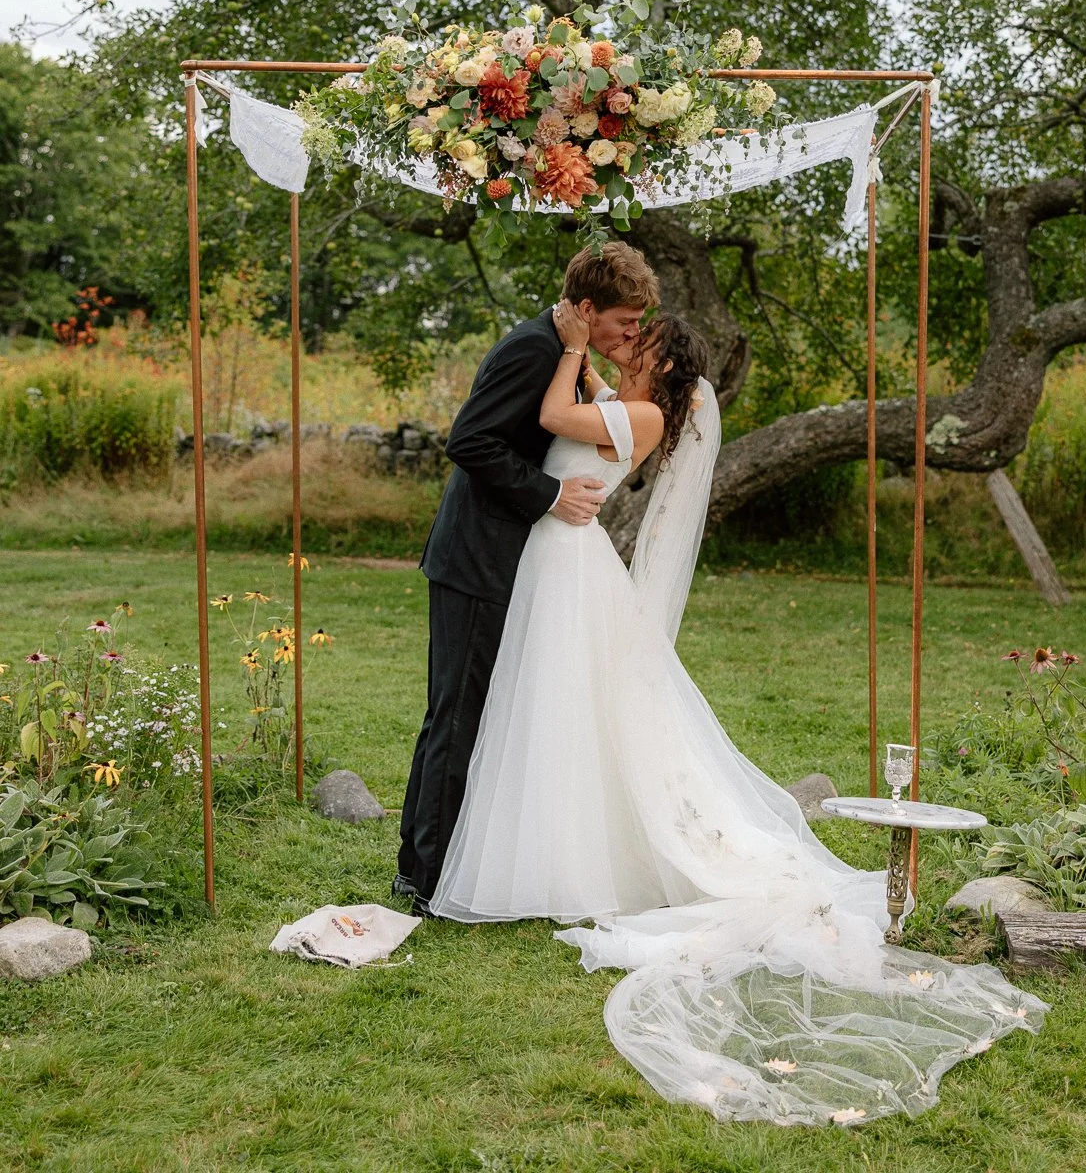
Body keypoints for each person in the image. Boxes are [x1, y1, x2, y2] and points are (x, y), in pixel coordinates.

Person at [429, 301, 1047, 1128]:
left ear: (663, 366)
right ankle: (545, 839)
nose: (627, 344)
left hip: (569, 562)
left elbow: (550, 416)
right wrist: (585, 353)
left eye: (640, 340)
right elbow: (587, 396)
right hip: (559, 561)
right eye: (625, 331)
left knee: (571, 708)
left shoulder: (641, 415)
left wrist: (571, 347)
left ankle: (567, 855)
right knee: (562, 710)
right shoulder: (626, 400)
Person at [394, 242, 659, 911]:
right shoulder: (535, 349)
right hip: (478, 555)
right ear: (588, 308)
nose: (632, 334)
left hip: (505, 556)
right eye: (625, 322)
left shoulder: (562, 348)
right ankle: (426, 877)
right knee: (456, 715)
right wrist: (549, 494)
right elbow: (469, 439)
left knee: (464, 713)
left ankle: (431, 864)